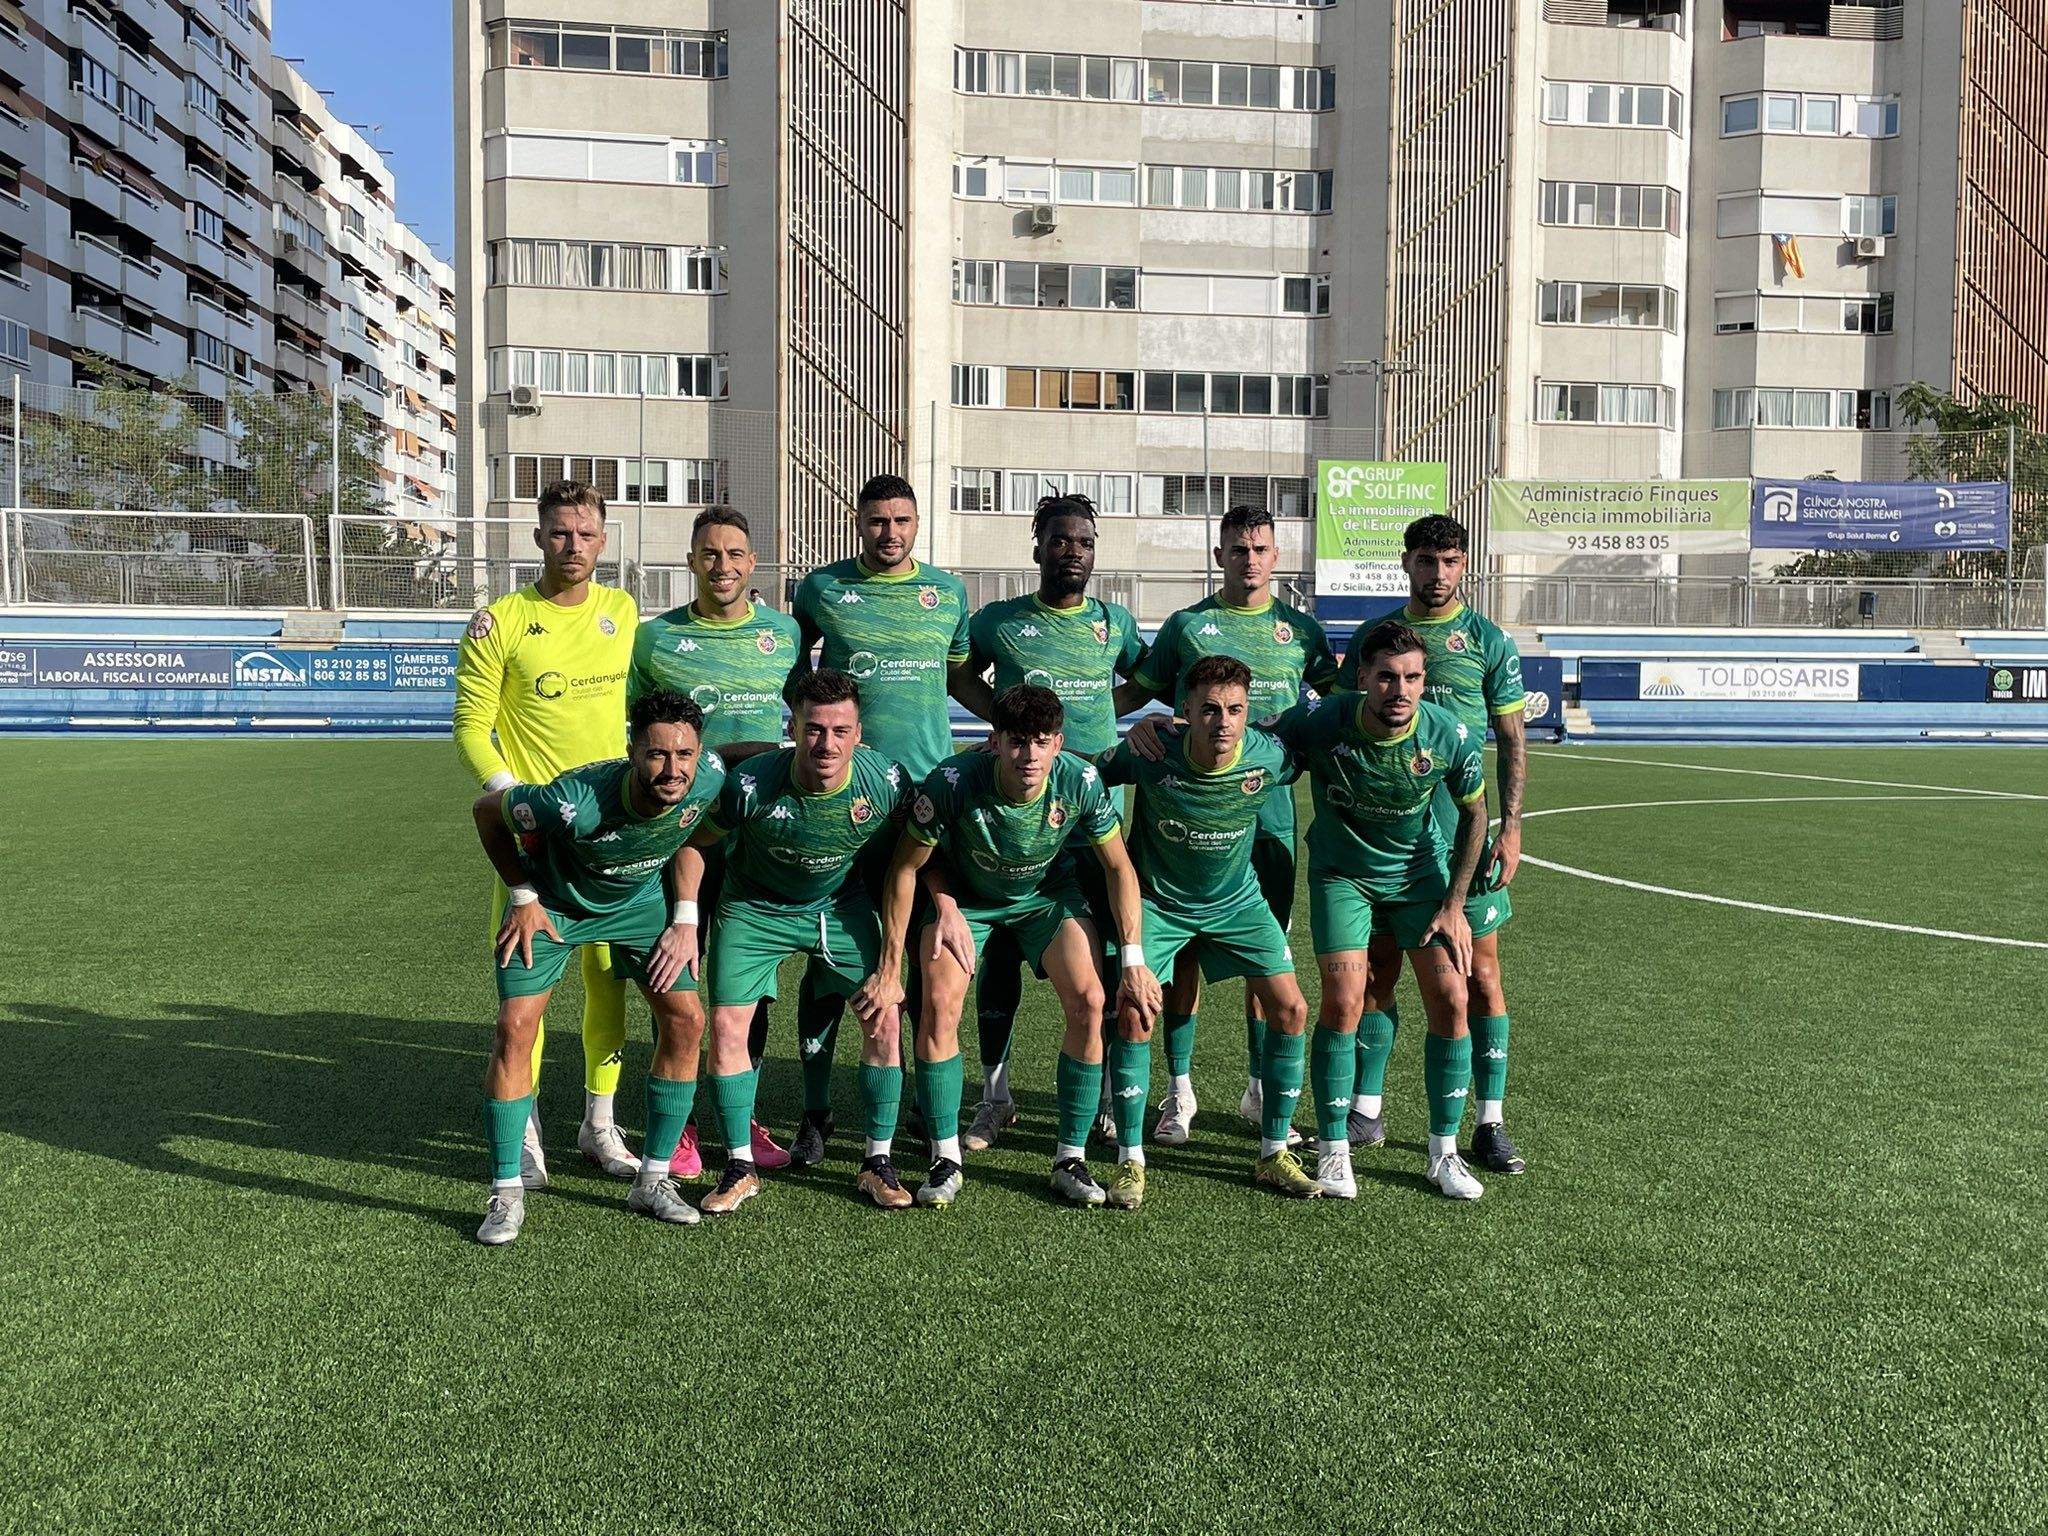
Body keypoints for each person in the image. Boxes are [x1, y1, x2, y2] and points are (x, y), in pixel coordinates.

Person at [857, 685, 1162, 1209]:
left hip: (1045, 898)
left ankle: (1070, 1157)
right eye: (1017, 742)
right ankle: (945, 1156)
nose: (1030, 755)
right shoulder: (952, 783)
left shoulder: (1079, 781)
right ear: (994, 742)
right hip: (967, 902)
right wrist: (890, 968)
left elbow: (1118, 868)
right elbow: (905, 868)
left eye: (1042, 742)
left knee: (1091, 1002)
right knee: (939, 1006)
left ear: (1059, 743)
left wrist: (1132, 959)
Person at [783, 476, 992, 1166]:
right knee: (828, 958)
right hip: (846, 796)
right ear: (858, 522)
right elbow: (794, 676)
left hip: (927, 800)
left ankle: (903, 1106)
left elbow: (961, 680)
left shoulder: (948, 594)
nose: (890, 533)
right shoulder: (819, 589)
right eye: (877, 522)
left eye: (902, 520)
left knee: (921, 958)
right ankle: (816, 1111)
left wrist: (1012, 726)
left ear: (917, 522)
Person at [471, 690, 724, 1245]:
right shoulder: (574, 801)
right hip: (556, 908)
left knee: (687, 1022)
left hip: (638, 908)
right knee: (514, 1028)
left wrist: (685, 917)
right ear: (632, 750)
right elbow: (487, 811)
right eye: (657, 754)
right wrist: (521, 894)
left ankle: (653, 1179)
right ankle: (506, 1190)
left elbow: (696, 830)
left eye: (685, 755)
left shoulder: (707, 777)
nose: (673, 768)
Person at [1125, 505, 1338, 1145]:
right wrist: (1082, 726)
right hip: (1185, 808)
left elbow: (1333, 711)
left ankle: (1258, 1088)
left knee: (1263, 951)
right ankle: (1178, 1091)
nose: (1250, 559)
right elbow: (1138, 696)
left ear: (1277, 557)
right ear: (1220, 556)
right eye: (1238, 549)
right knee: (1182, 953)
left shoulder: (1302, 631)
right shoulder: (1189, 627)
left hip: (1267, 812)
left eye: (1262, 549)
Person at [452, 479, 639, 1185]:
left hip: (611, 838)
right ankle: (524, 1131)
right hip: (535, 843)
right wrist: (515, 800)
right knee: (524, 995)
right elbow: (471, 727)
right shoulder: (498, 620)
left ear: (602, 539)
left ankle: (599, 1124)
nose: (573, 546)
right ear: (538, 537)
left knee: (607, 980)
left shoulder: (622, 611)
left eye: (586, 533)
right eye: (560, 533)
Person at [675, 669, 913, 1213]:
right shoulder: (753, 784)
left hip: (839, 905)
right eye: (813, 729)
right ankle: (738, 1167)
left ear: (859, 735)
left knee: (884, 1015)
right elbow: (695, 844)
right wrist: (688, 918)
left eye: (839, 730)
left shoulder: (886, 783)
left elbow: (915, 855)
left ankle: (877, 1162)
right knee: (727, 1024)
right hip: (754, 907)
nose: (825, 744)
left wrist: (904, 951)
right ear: (793, 726)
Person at [1268, 620, 1491, 1200]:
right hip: (1343, 875)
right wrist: (1169, 730)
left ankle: (1444, 1155)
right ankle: (1334, 1150)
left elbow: (1475, 816)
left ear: (1424, 681)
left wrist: (1455, 904)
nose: (1400, 690)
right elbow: (1251, 737)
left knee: (1452, 998)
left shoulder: (1450, 736)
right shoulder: (1323, 722)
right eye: (1387, 677)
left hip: (1420, 880)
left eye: (1413, 678)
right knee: (1344, 1002)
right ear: (1362, 677)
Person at [1335, 515, 1529, 1174]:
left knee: (1480, 977)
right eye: (1426, 559)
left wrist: (1513, 825)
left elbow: (1511, 738)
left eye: (1449, 560)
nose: (1437, 572)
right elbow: (1341, 724)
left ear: (1465, 564)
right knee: (1379, 975)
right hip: (1392, 844)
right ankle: (1366, 1111)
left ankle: (1490, 1121)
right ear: (1406, 563)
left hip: (1466, 840)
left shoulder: (1488, 640)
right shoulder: (1380, 638)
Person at [958, 494, 1151, 1152]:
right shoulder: (1001, 622)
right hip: (1019, 807)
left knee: (1101, 949)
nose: (1074, 551)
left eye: (1085, 541)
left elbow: (1144, 680)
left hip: (1091, 811)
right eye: (1061, 539)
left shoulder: (1115, 623)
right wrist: (1005, 721)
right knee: (1005, 951)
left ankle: (1098, 1094)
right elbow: (960, 674)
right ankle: (996, 1095)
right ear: (1036, 545)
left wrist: (1106, 708)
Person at [1095, 656, 1322, 1205]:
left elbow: (1315, 749)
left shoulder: (1267, 757)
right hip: (1160, 904)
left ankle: (1274, 1152)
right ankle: (1130, 1160)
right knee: (1134, 1009)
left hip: (1236, 901)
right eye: (1211, 710)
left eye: (1236, 710)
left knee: (1291, 1008)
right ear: (1185, 712)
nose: (1224, 722)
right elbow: (1087, 771)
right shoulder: (1152, 753)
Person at [628, 506, 802, 1177]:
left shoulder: (784, 635)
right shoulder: (657, 640)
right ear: (691, 560)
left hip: (758, 838)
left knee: (748, 985)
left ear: (752, 563)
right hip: (681, 834)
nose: (722, 566)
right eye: (709, 553)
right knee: (680, 972)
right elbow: (639, 735)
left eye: (735, 554)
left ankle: (742, 1117)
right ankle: (679, 1128)